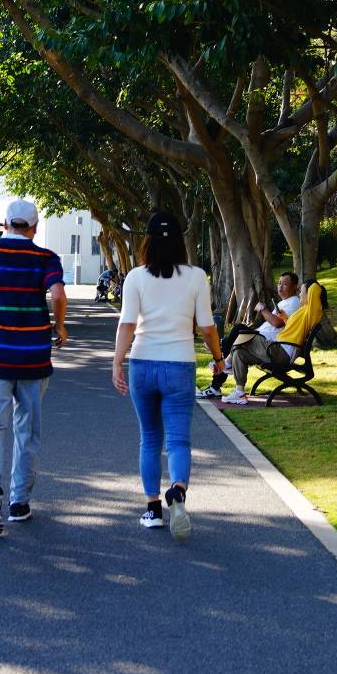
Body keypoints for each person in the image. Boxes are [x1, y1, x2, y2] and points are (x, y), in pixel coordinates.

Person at [111, 211, 223, 540]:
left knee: (149, 438)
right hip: (179, 365)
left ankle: (152, 509)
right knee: (178, 440)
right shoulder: (196, 277)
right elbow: (207, 327)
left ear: (146, 243)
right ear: (180, 242)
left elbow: (127, 324)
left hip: (142, 364)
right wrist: (218, 358)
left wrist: (117, 362)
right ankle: (178, 489)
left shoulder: (135, 277)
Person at [0, 198, 67, 537]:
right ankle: (19, 502)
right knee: (27, 430)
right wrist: (59, 326)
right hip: (35, 358)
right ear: (34, 228)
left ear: (4, 224)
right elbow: (58, 293)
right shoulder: (45, 259)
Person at [208, 271, 303, 403]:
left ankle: (223, 364)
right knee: (239, 351)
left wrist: (263, 309)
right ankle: (239, 392)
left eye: (285, 284)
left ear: (294, 286)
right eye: (279, 283)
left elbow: (276, 323)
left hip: (274, 348)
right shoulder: (284, 303)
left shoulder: (293, 302)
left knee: (239, 331)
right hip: (267, 344)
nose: (280, 287)